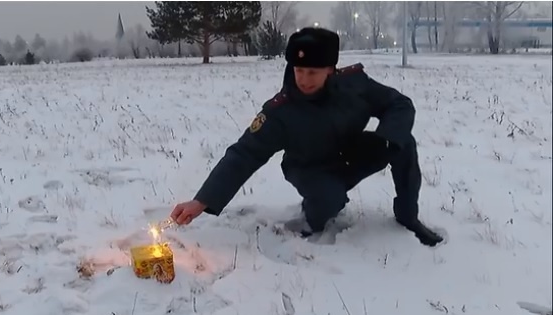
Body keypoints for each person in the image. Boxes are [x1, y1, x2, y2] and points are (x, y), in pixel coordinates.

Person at [169, 27, 444, 247]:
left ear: (330, 70)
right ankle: (313, 217)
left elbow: (399, 103)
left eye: (312, 72)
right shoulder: (280, 111)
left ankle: (408, 217)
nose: (304, 79)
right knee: (328, 203)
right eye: (299, 70)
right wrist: (202, 200)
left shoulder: (354, 85)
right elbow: (243, 154)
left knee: (402, 143)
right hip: (309, 168)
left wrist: (384, 138)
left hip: (352, 154)